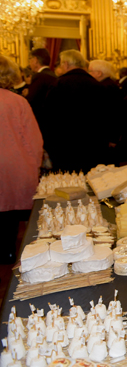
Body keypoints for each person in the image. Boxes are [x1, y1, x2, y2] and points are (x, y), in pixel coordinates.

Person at [0, 55, 43, 264]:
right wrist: (34, 167)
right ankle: (10, 253)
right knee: (11, 218)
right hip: (14, 168)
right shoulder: (18, 102)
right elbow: (34, 141)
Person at [43, 50, 107, 172]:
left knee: (67, 180)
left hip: (64, 143)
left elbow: (49, 117)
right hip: (92, 143)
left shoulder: (58, 84)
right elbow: (105, 116)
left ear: (66, 64)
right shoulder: (97, 85)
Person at [89, 60, 124, 163]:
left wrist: (113, 138)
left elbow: (114, 114)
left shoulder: (105, 87)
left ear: (99, 73)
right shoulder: (109, 85)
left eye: (90, 71)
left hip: (108, 137)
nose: (88, 74)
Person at [27, 48, 57, 122]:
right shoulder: (53, 75)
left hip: (41, 118)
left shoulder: (39, 76)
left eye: (30, 59)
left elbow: (31, 100)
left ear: (35, 60)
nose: (29, 63)